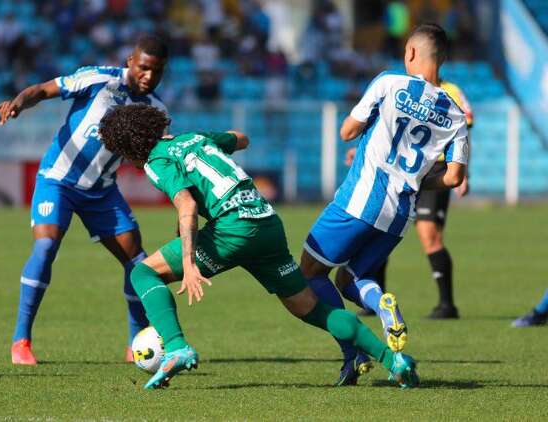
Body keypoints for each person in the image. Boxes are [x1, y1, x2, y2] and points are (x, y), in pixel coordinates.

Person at [98, 103, 420, 390]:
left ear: (129, 147)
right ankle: (395, 362)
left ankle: (176, 345)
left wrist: (190, 263)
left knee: (142, 273)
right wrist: (219, 142)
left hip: (232, 229)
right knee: (312, 310)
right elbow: (241, 138)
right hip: (267, 223)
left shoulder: (157, 160)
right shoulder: (194, 139)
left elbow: (187, 206)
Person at [0, 35, 169, 365]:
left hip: (102, 192)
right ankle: (21, 342)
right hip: (58, 180)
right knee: (45, 248)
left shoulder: (155, 111)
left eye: (156, 72)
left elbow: (154, 156)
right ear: (130, 61)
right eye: (144, 68)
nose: (149, 76)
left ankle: (136, 343)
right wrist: (18, 102)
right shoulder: (98, 79)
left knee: (139, 263)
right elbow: (43, 90)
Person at [300, 23, 469, 352]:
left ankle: (353, 351)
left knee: (309, 272)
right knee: (349, 280)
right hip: (400, 215)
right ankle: (382, 305)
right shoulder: (456, 115)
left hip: (359, 200)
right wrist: (419, 179)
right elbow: (453, 178)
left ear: (410, 52)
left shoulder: (389, 82)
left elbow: (347, 132)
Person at [345, 79, 474, 320]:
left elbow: (465, 132)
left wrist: (462, 172)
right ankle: (375, 298)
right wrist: (363, 151)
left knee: (429, 234)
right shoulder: (404, 88)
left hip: (436, 171)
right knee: (379, 227)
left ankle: (447, 304)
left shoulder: (451, 91)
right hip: (400, 170)